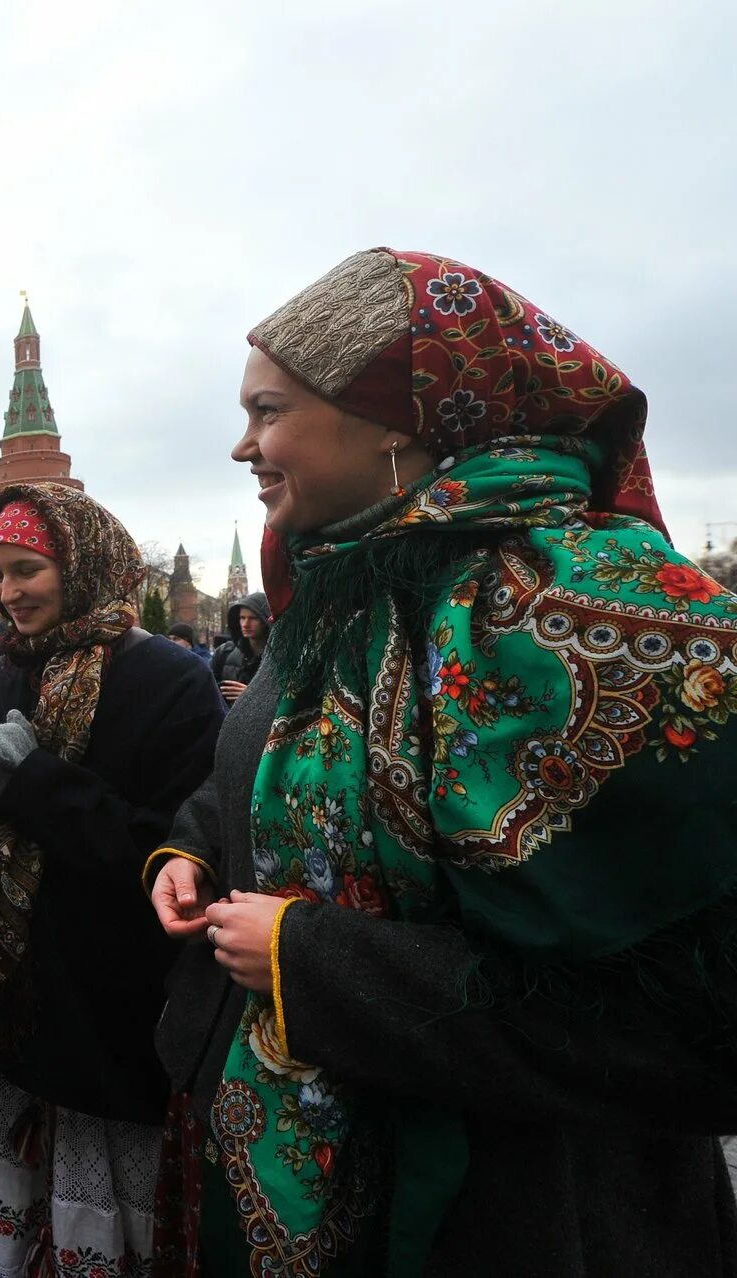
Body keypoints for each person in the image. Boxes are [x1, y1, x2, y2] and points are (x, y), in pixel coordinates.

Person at [147, 248, 737, 1276]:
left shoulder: (575, 610)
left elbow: (693, 1030)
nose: (243, 446)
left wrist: (315, 962)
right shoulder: (334, 587)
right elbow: (251, 774)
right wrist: (187, 850)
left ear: (395, 421)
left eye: (270, 409)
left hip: (522, 1217)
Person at [0, 485, 223, 1276]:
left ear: (81, 565)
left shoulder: (170, 679)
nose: (10, 594)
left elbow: (172, 847)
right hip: (9, 1008)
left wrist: (32, 781)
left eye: (27, 570)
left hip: (107, 1012)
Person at [208, 591, 269, 704]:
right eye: (242, 618)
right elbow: (206, 689)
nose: (245, 624)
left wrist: (253, 696)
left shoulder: (282, 658)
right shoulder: (224, 652)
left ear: (266, 619)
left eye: (253, 618)